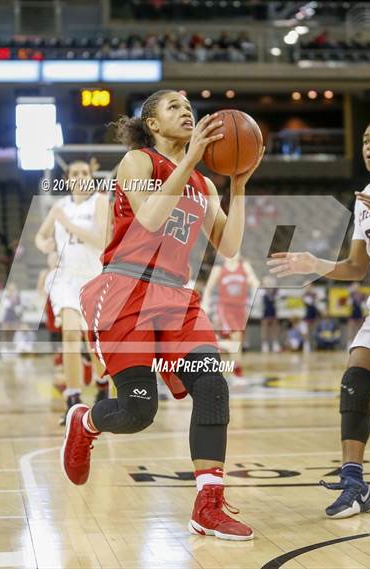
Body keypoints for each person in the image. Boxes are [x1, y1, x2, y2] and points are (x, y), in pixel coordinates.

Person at [61, 90, 264, 540]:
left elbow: (228, 247)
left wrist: (238, 184)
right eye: (173, 106)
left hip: (176, 298)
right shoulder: (139, 162)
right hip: (125, 290)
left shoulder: (205, 185)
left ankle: (208, 504)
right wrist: (191, 160)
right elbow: (150, 219)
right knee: (138, 410)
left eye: (189, 105)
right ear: (151, 124)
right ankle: (87, 421)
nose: (186, 109)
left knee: (212, 384)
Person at [268, 118, 370, 518]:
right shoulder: (365, 196)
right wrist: (314, 263)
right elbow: (355, 267)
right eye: (366, 139)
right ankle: (355, 483)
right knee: (354, 382)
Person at [35, 160, 111, 425]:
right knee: (69, 334)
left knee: (93, 342)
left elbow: (100, 240)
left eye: (85, 172)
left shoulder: (99, 202)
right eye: (75, 173)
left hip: (93, 278)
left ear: (91, 177)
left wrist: (67, 225)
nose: (80, 176)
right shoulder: (59, 206)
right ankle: (73, 399)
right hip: (66, 278)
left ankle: (102, 387)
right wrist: (48, 247)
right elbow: (40, 237)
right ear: (67, 179)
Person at [201, 253, 259, 377]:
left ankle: (232, 361)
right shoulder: (219, 268)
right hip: (225, 307)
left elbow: (254, 280)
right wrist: (205, 304)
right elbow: (208, 288)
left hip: (241, 308)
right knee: (236, 336)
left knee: (237, 339)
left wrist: (253, 282)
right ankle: (237, 368)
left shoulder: (244, 265)